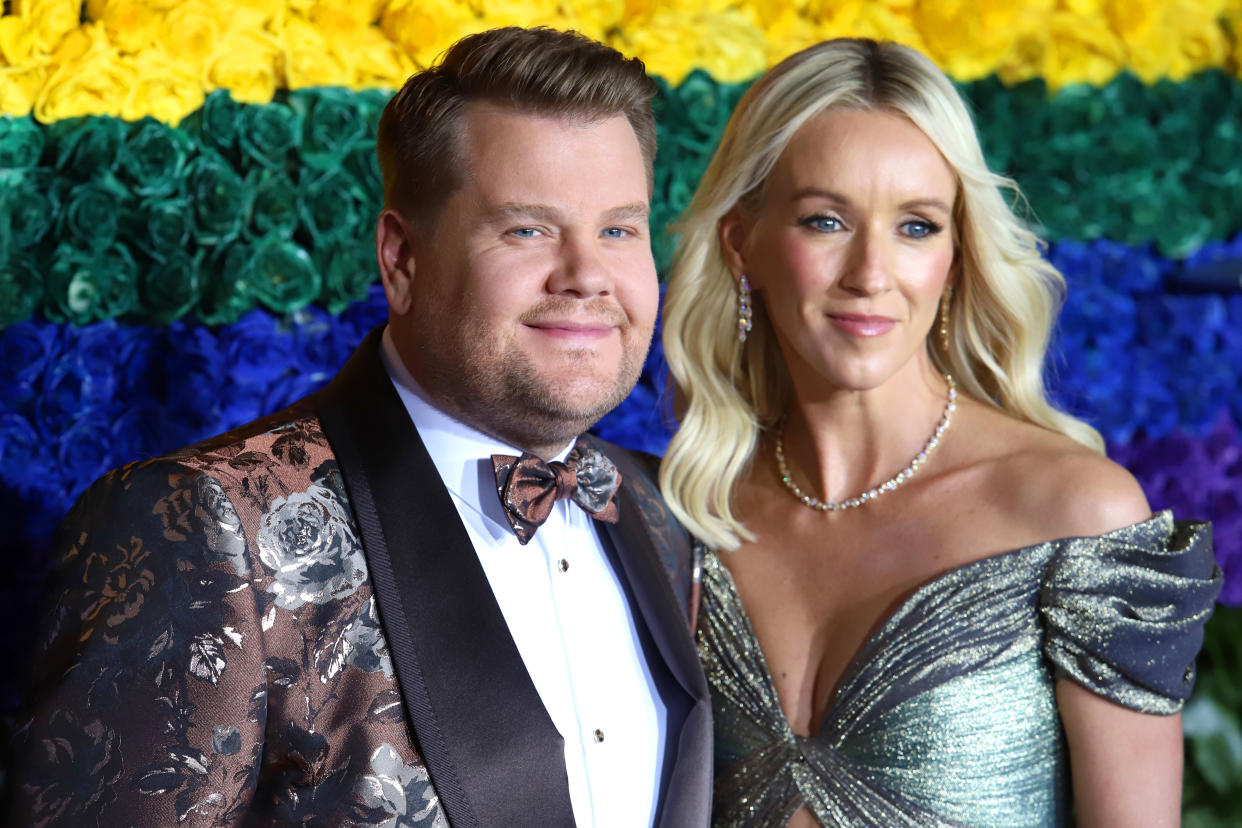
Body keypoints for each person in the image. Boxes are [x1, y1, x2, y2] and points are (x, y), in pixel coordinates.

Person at [9, 27, 710, 828]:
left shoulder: (657, 509)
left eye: (619, 229)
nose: (588, 275)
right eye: (528, 229)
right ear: (402, 259)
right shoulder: (203, 526)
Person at [659, 38, 1221, 827]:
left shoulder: (1074, 515)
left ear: (955, 261)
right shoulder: (685, 515)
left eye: (916, 227)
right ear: (741, 243)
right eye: (825, 220)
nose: (870, 273)